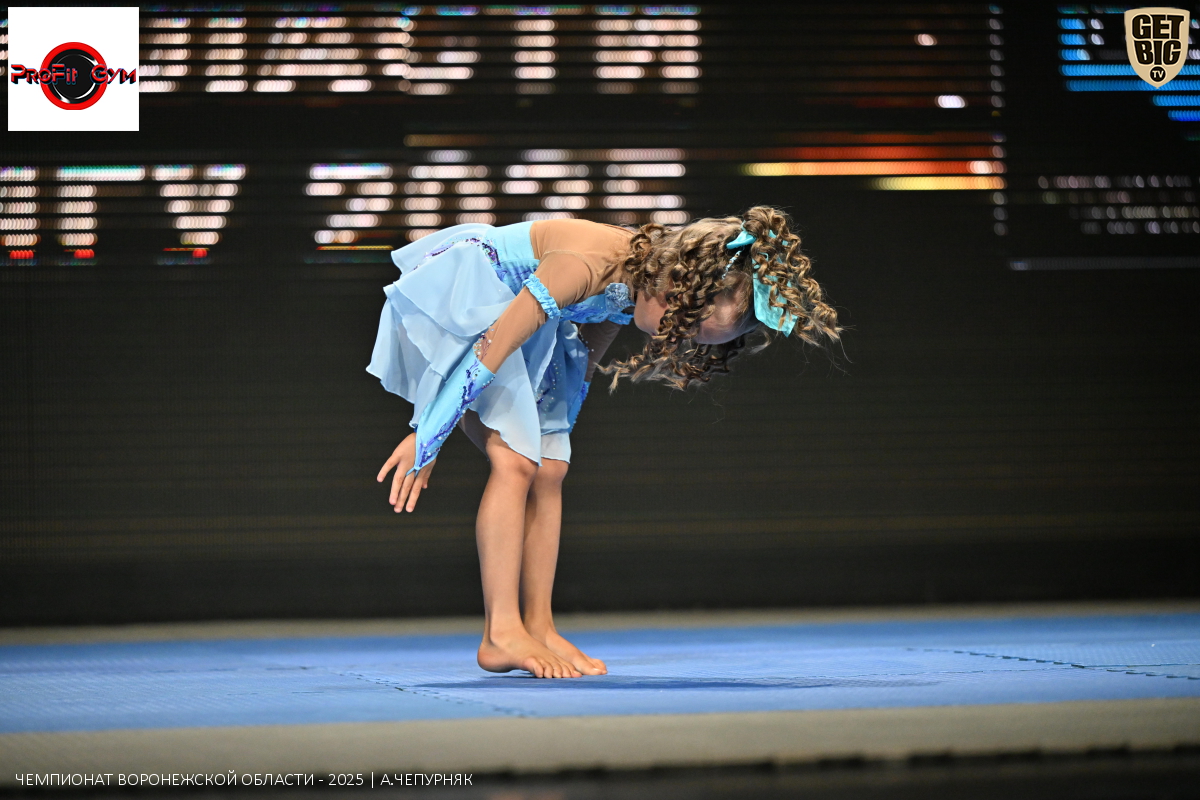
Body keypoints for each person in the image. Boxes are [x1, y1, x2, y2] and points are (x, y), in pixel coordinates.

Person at [369, 205, 841, 678]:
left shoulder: (640, 276)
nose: (678, 341)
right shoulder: (585, 264)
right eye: (686, 327)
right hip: (464, 300)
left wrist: (557, 429)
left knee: (550, 465)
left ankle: (539, 626)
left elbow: (586, 354)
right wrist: (426, 432)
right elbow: (495, 344)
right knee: (514, 461)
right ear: (673, 285)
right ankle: (500, 632)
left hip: (515, 328)